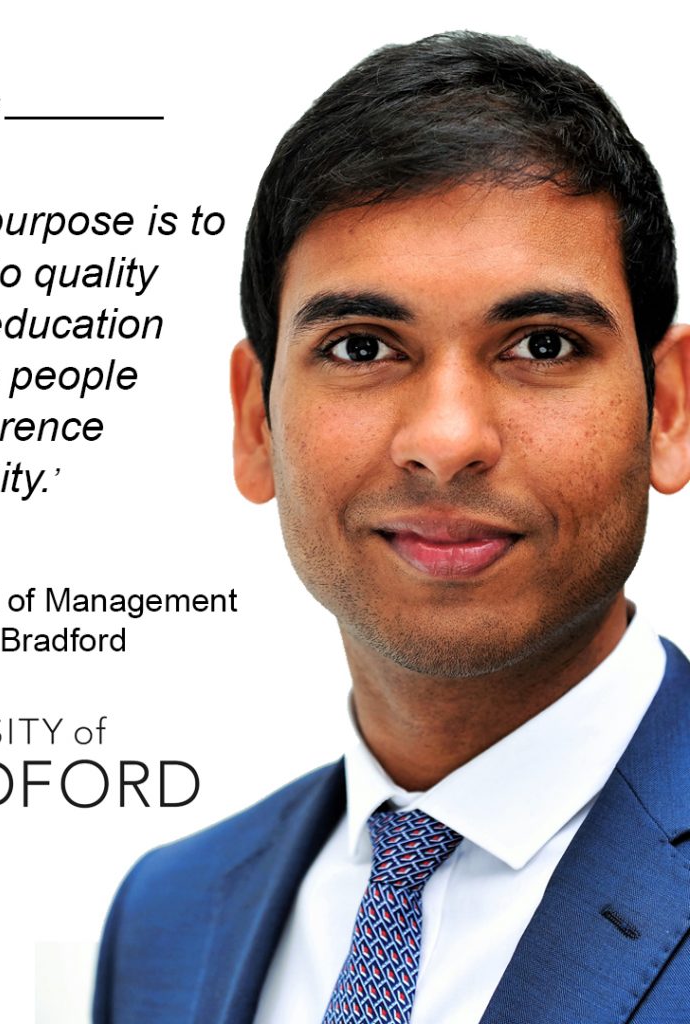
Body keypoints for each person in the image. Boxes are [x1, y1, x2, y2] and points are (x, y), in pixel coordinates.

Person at [94, 31, 690, 1024]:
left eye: (540, 344)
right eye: (363, 345)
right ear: (256, 423)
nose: (447, 440)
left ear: (668, 410)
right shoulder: (167, 916)